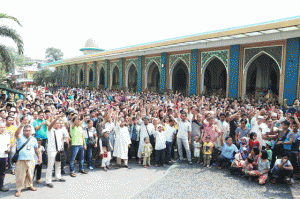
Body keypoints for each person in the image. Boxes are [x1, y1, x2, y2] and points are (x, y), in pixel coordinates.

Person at [14, 124, 42, 197]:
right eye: (26, 131)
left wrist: (39, 158)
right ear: (23, 131)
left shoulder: (33, 139)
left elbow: (37, 149)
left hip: (31, 159)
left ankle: (30, 185)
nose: (28, 132)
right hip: (21, 159)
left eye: (29, 131)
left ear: (31, 131)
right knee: (20, 175)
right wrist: (20, 126)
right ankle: (19, 189)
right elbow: (16, 134)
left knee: (30, 174)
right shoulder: (20, 137)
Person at [45, 114, 66, 188]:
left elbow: (61, 140)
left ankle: (58, 176)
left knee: (58, 163)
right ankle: (48, 181)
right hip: (51, 150)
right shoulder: (50, 130)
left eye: (58, 123)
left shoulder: (60, 131)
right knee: (50, 166)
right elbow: (50, 126)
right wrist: (55, 119)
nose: (57, 125)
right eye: (55, 123)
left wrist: (62, 147)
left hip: (59, 150)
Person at [69, 113, 88, 177]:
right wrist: (78, 115)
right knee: (73, 159)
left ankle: (81, 169)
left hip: (81, 144)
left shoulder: (80, 127)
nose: (79, 121)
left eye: (80, 120)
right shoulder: (72, 127)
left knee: (81, 158)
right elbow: (75, 122)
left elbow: (82, 136)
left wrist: (84, 144)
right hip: (75, 145)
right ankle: (72, 171)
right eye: (78, 120)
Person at [0, 122, 10, 192]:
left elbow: (8, 144)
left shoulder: (7, 135)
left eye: (3, 127)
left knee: (2, 171)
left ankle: (1, 185)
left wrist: (8, 148)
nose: (2, 129)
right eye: (1, 127)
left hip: (4, 156)